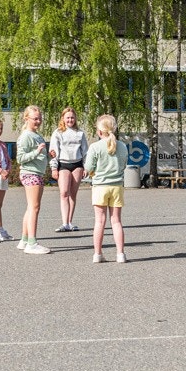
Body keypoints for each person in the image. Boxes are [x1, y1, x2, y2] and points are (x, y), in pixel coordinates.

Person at [84, 114, 128, 263]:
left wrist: (92, 172)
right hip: (117, 186)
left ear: (99, 131)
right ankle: (120, 254)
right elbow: (124, 165)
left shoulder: (95, 147)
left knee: (99, 221)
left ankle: (98, 254)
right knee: (116, 221)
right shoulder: (122, 146)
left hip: (100, 187)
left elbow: (88, 167)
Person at [15, 105, 52, 254]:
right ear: (26, 118)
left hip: (37, 173)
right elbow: (20, 158)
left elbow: (41, 157)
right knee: (34, 207)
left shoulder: (37, 135)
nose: (38, 121)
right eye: (35, 119)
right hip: (30, 173)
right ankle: (32, 243)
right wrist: (37, 151)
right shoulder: (25, 136)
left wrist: (50, 156)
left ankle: (24, 240)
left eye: (40, 118)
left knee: (31, 207)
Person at [49, 107, 89, 232]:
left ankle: (70, 222)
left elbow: (85, 152)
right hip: (63, 165)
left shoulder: (80, 133)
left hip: (77, 165)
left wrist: (86, 167)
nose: (70, 119)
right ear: (63, 119)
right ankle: (64, 223)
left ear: (75, 118)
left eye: (72, 117)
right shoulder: (57, 133)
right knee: (64, 193)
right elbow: (54, 152)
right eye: (67, 117)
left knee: (73, 194)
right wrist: (54, 168)